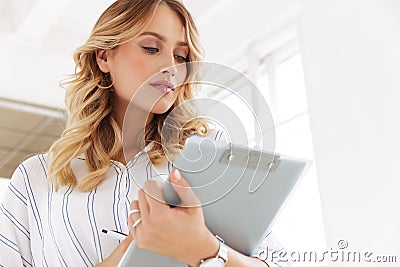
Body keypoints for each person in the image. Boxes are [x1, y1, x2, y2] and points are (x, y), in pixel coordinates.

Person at [0, 0, 288, 266]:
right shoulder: (35, 178)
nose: (170, 67)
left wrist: (204, 249)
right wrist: (131, 250)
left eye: (180, 56)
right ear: (103, 57)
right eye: (151, 48)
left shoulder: (212, 155)